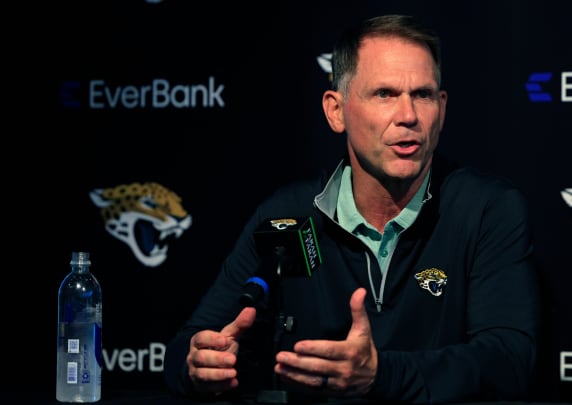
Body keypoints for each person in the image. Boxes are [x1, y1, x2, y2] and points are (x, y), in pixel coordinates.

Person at [164, 14, 540, 404]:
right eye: (384, 94)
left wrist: (380, 375)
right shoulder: (287, 214)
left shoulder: (487, 210)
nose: (408, 115)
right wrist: (200, 365)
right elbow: (183, 351)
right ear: (336, 111)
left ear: (441, 110)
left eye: (423, 95)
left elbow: (509, 362)